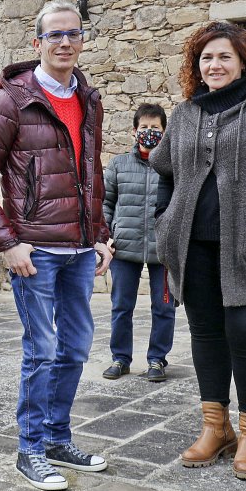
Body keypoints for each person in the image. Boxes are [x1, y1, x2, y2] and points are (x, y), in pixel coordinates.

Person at [150, 20, 246, 481]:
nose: (214, 65)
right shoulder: (184, 114)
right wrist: (164, 216)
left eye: (223, 56)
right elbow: (163, 170)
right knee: (205, 334)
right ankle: (216, 428)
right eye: (206, 58)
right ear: (196, 67)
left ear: (243, 60)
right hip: (193, 246)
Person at [0, 0, 113, 491]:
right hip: (34, 251)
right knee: (42, 350)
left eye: (74, 33)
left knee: (75, 349)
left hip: (78, 249)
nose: (65, 42)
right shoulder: (11, 100)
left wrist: (101, 235)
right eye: (55, 35)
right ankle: (29, 449)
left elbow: (91, 175)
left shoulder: (89, 101)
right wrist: (7, 242)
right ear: (38, 44)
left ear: (82, 40)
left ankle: (56, 438)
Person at [101, 102, 175, 383]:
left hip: (163, 250)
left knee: (164, 307)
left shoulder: (172, 165)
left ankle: (157, 359)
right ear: (134, 131)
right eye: (143, 127)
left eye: (155, 128)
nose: (149, 132)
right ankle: (120, 358)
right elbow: (106, 203)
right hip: (123, 248)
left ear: (164, 132)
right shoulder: (120, 164)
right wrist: (106, 236)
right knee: (121, 306)